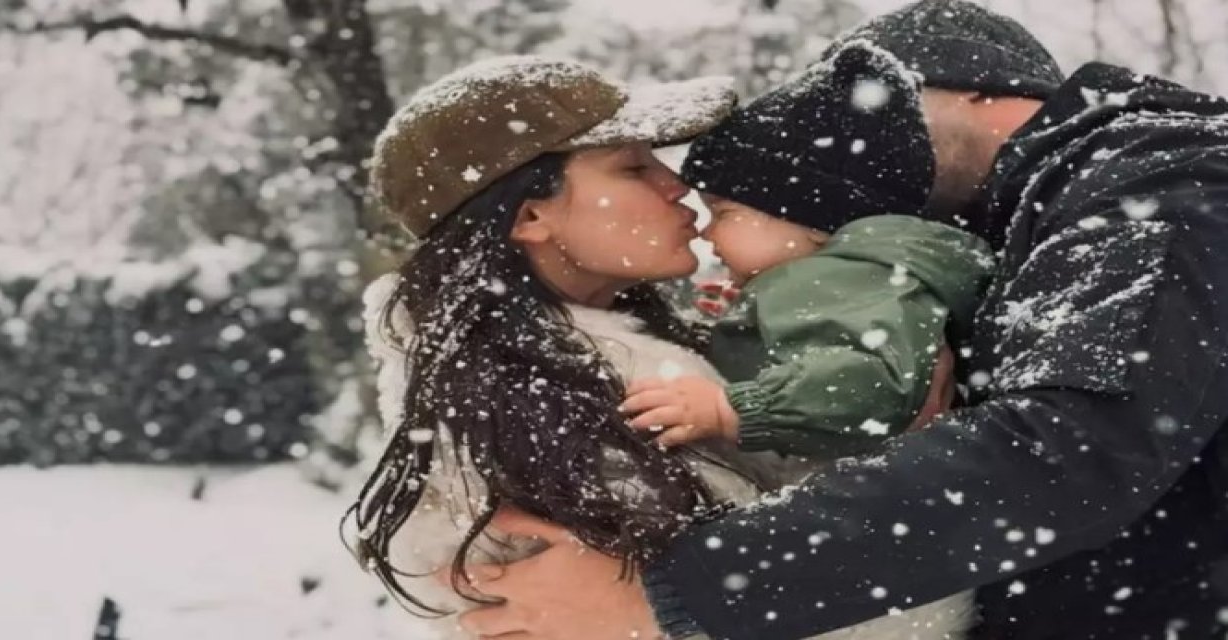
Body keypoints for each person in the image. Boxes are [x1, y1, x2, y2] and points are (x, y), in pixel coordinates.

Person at [453, 1, 1228, 638]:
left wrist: (680, 588)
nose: (871, 151)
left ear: (981, 90)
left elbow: (1069, 450)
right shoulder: (1025, 222)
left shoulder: (1158, 182)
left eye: (885, 113)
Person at [346, 56, 971, 640]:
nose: (677, 185)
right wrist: (912, 462)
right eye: (633, 167)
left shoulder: (580, 363)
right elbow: (851, 621)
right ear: (530, 217)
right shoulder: (523, 412)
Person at [621, 42, 994, 458]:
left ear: (813, 221)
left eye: (723, 213)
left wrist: (729, 410)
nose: (706, 232)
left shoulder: (843, 283)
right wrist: (749, 325)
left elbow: (870, 386)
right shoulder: (858, 283)